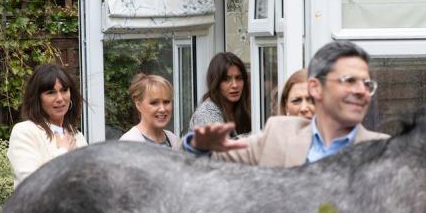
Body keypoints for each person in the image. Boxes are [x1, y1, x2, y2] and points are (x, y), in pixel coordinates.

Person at [184, 40, 388, 166]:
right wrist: (197, 144)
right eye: (349, 81)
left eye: (367, 83)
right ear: (316, 88)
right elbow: (215, 157)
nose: (361, 91)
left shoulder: (386, 150)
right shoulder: (277, 135)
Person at [8, 63, 87, 187]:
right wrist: (63, 151)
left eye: (64, 90)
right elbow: (31, 183)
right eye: (51, 93)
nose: (60, 98)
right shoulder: (24, 132)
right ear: (37, 99)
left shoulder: (76, 135)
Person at [188, 52, 251, 137]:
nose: (234, 85)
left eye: (238, 78)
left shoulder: (244, 108)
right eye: (226, 79)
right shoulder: (206, 113)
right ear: (216, 82)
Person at [120, 73, 182, 150]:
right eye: (154, 103)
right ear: (138, 105)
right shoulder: (129, 143)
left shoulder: (173, 140)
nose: (162, 109)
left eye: (166, 102)